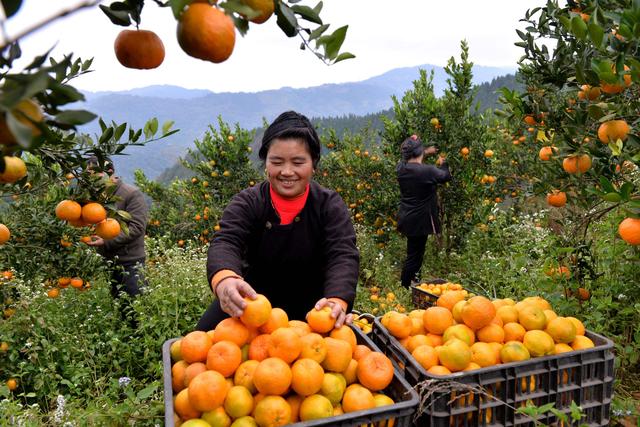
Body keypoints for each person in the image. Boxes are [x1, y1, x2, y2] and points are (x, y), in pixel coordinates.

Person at [197, 111, 359, 331]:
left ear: (314, 164)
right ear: (266, 163)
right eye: (277, 161)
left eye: (298, 162)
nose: (287, 171)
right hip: (251, 303)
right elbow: (227, 240)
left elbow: (342, 253)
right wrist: (225, 280)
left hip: (315, 309)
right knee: (199, 344)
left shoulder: (328, 205)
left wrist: (337, 299)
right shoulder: (249, 202)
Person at [84, 156, 149, 301]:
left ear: (110, 172)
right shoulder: (98, 197)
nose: (91, 178)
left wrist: (106, 242)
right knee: (120, 309)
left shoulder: (131, 194)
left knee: (137, 308)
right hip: (109, 262)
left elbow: (137, 228)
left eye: (95, 173)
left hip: (130, 262)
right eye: (88, 174)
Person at [396, 135, 451, 288]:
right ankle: (406, 287)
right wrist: (444, 163)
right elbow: (445, 176)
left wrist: (425, 152)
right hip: (420, 220)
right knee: (415, 256)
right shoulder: (428, 171)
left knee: (414, 253)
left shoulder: (401, 168)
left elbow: (413, 159)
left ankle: (414, 283)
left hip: (407, 217)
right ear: (419, 152)